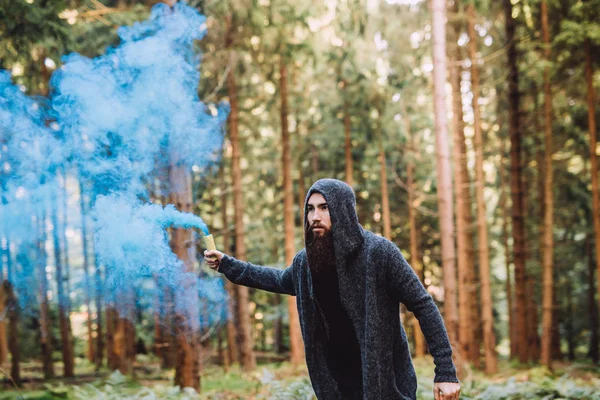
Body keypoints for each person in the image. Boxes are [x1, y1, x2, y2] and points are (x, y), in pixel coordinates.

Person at [204, 179, 460, 400]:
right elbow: (278, 280)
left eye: (324, 208)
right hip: (336, 388)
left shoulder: (380, 253)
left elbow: (423, 305)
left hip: (385, 386)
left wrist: (445, 371)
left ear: (344, 210)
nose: (315, 216)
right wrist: (228, 264)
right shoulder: (306, 262)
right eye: (310, 209)